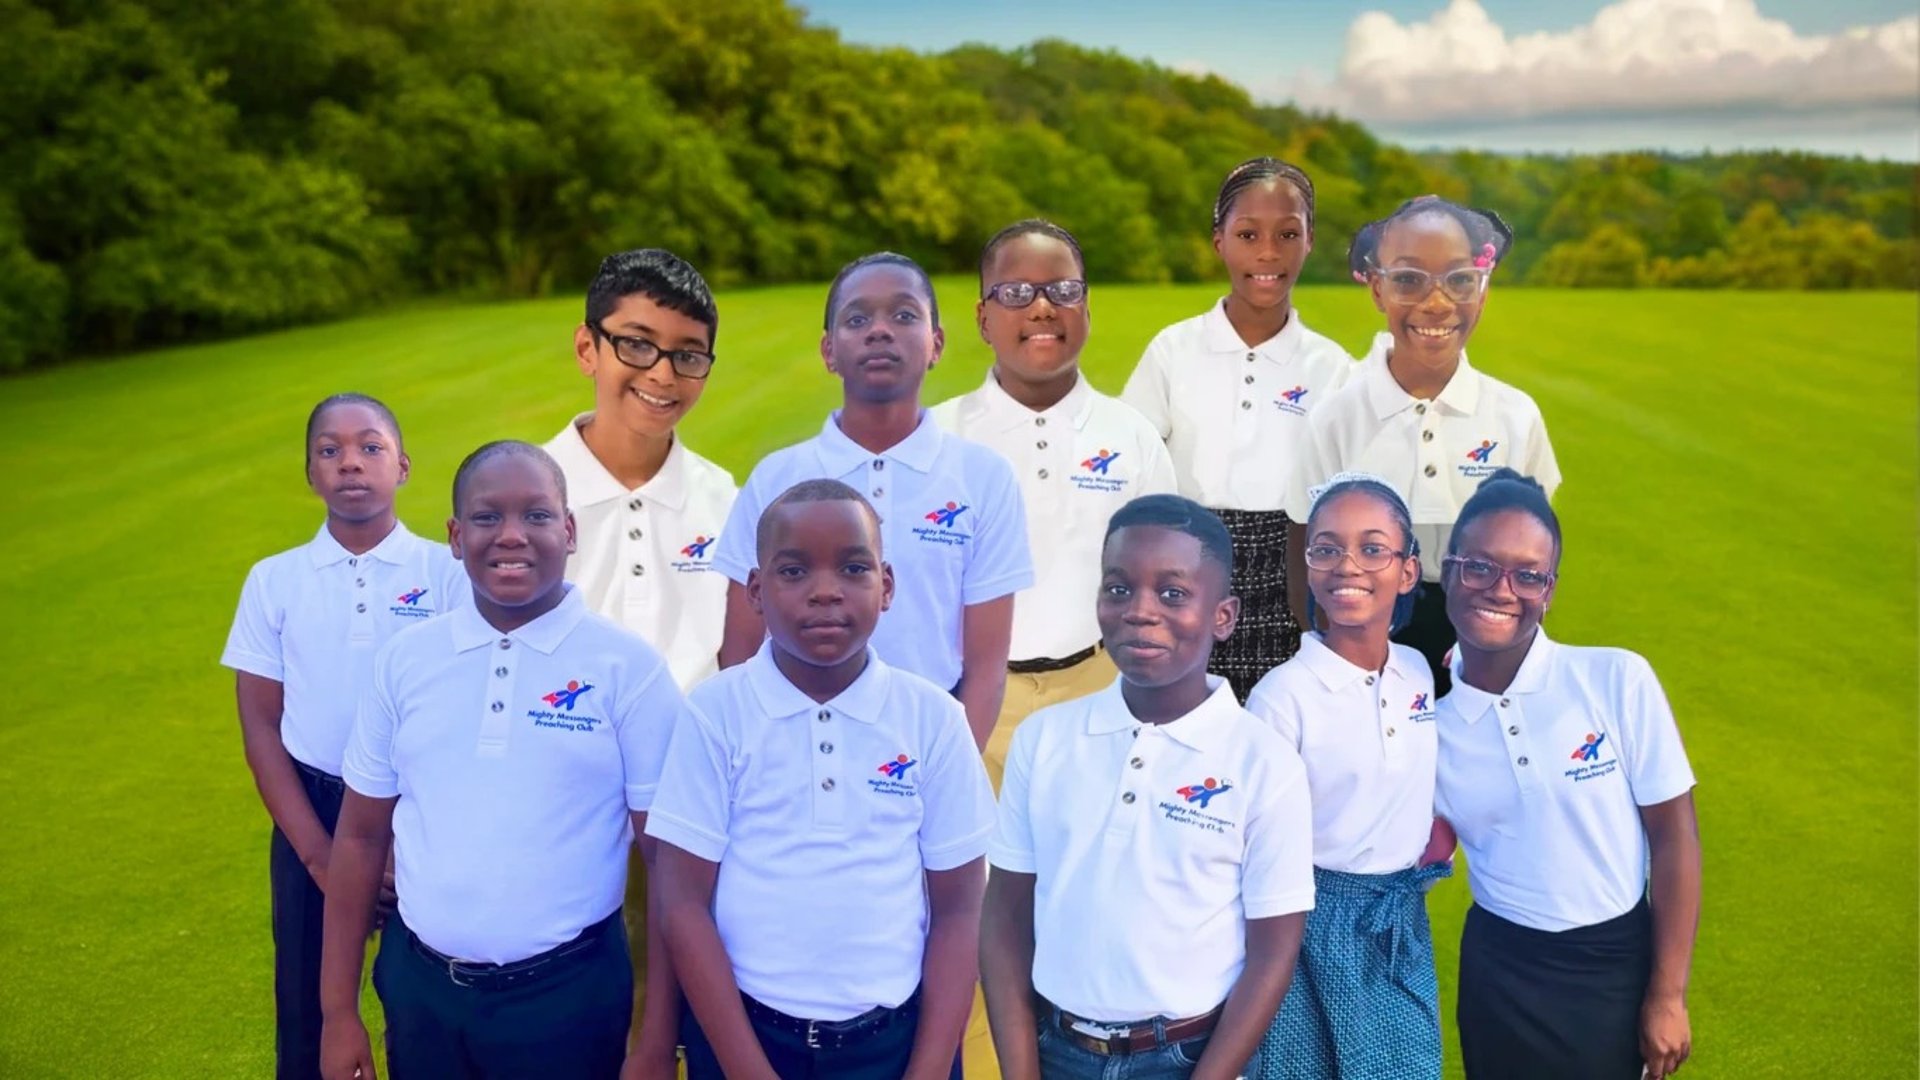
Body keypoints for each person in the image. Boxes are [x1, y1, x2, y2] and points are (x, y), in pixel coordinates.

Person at [317, 441, 684, 1080]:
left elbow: (671, 866)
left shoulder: (629, 671)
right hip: (421, 988)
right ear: (456, 537)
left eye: (537, 516)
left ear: (568, 531)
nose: (511, 535)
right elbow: (359, 835)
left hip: (568, 996)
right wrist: (337, 1012)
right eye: (487, 518)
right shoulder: (406, 662)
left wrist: (654, 1042)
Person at [648, 479, 995, 1079]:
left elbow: (961, 909)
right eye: (794, 572)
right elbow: (682, 901)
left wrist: (931, 1069)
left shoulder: (933, 718)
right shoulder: (716, 713)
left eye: (854, 568)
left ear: (885, 586)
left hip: (894, 1045)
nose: (826, 592)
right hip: (747, 1039)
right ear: (755, 591)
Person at [980, 494, 1315, 1080]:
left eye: (1173, 593)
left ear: (1224, 616)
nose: (1140, 610)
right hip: (1056, 1048)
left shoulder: (1264, 763)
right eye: (1118, 588)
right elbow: (1005, 918)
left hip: (1188, 1056)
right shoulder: (1046, 740)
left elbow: (1272, 953)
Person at [221, 392, 467, 1080]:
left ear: (404, 466)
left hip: (420, 809)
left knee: (419, 1005)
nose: (350, 463)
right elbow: (261, 728)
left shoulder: (445, 576)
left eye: (370, 448)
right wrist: (322, 859)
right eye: (329, 451)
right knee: (308, 1010)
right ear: (309, 473)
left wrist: (389, 850)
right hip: (314, 808)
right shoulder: (274, 581)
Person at [1434, 469, 1699, 1080]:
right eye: (1479, 566)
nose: (1502, 589)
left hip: (1613, 967)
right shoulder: (1430, 723)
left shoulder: (1616, 679)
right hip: (1501, 973)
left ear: (1548, 591)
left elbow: (1674, 835)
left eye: (1528, 574)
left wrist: (1667, 995)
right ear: (1448, 573)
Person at [713, 252, 1033, 749]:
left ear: (936, 344)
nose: (879, 331)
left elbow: (987, 665)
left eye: (904, 316)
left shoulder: (983, 477)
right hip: (790, 741)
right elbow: (739, 652)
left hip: (925, 741)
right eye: (857, 319)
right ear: (828, 351)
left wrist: (947, 772)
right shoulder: (777, 476)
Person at [541, 248, 738, 1043]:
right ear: (589, 347)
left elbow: (739, 662)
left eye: (687, 355)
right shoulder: (524, 489)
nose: (661, 371)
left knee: (681, 1017)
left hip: (687, 806)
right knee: (569, 1023)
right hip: (554, 803)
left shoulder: (724, 498)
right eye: (636, 342)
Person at [930, 219, 1177, 790]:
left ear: (1087, 307)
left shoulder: (1130, 435)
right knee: (980, 876)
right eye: (1016, 293)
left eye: (1063, 291)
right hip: (968, 703)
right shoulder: (937, 440)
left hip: (1100, 693)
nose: (1043, 307)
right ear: (983, 317)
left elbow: (1169, 580)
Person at [1288, 196, 1558, 694]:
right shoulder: (1335, 418)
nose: (1436, 304)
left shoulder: (1516, 416)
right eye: (1409, 280)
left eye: (1458, 280)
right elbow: (1302, 553)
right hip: (1367, 634)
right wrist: (1332, 661)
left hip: (1481, 633)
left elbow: (1536, 555)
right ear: (1376, 287)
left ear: (1483, 288)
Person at [1243, 473, 1453, 1080]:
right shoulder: (1282, 698)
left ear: (1408, 571)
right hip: (1307, 928)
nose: (1348, 566)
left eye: (1372, 548)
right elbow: (1255, 847)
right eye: (1327, 548)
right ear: (1308, 566)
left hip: (1397, 922)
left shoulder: (1416, 673)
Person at [1124, 157, 1356, 701]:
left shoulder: (1332, 368)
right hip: (1185, 569)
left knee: (1278, 736)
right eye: (1248, 234)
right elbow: (1129, 464)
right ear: (1219, 242)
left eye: (1287, 234)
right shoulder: (1173, 351)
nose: (1268, 253)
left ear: (1310, 241)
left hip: (1290, 575)